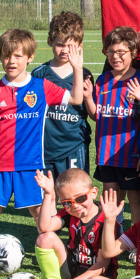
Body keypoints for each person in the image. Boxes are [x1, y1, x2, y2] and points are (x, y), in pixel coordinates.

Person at [0, 29, 86, 230]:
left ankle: (47, 253)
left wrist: (78, 69)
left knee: (39, 211)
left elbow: (76, 99)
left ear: (30, 57)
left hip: (30, 165)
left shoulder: (41, 86)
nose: (11, 61)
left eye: (17, 56)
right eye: (6, 56)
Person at [33, 169, 119, 279]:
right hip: (73, 268)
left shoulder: (106, 220)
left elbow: (102, 266)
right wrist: (48, 194)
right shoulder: (70, 214)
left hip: (97, 277)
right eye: (67, 203)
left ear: (93, 193)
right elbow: (44, 227)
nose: (75, 206)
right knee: (45, 238)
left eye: (80, 199)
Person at [90, 26, 140, 224]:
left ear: (133, 53)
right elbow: (96, 115)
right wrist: (86, 97)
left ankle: (135, 243)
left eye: (121, 52)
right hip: (106, 155)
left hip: (132, 156)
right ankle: (112, 238)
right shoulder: (102, 81)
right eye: (110, 52)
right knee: (111, 201)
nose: (115, 57)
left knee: (135, 200)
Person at [33, 11, 93, 177]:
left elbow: (90, 111)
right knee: (47, 196)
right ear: (49, 41)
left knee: (74, 194)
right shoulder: (39, 74)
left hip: (74, 145)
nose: (65, 50)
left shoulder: (84, 74)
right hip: (46, 146)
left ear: (80, 46)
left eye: (70, 46)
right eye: (60, 44)